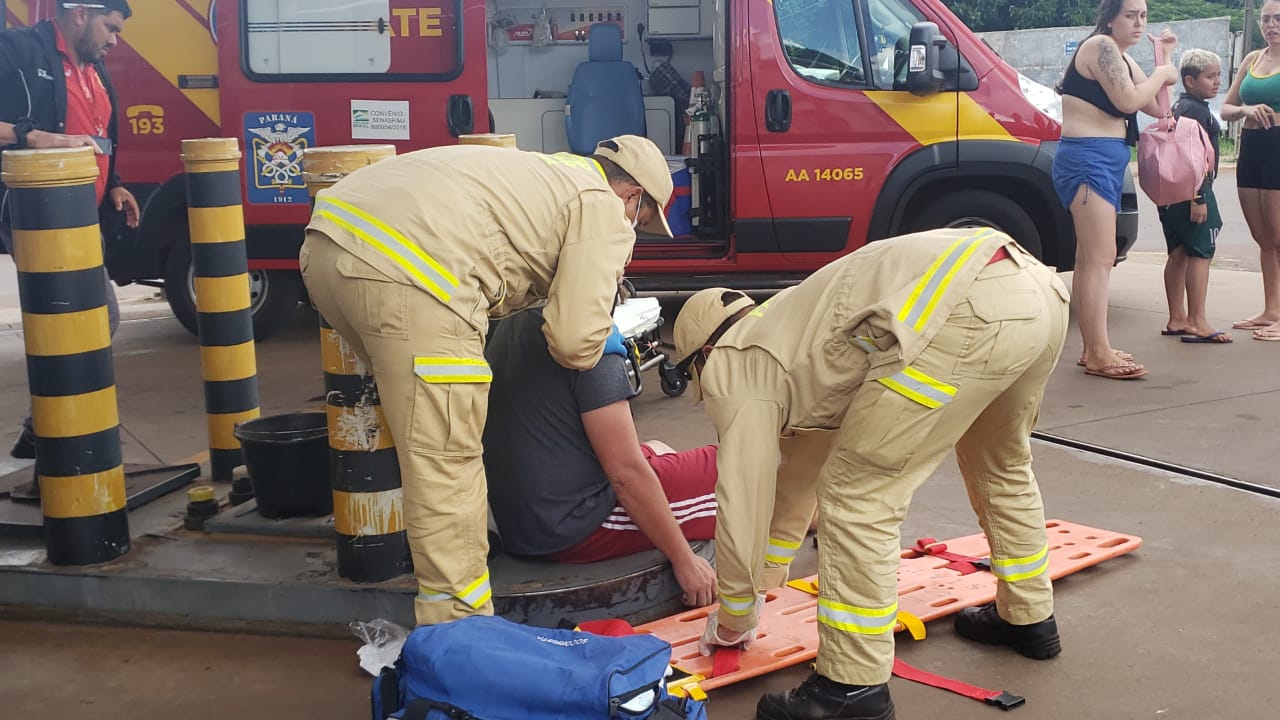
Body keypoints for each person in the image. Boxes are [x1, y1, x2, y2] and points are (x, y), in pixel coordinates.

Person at [674, 228, 1070, 720]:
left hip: (965, 304)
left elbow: (744, 493)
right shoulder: (798, 331)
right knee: (1002, 463)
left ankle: (851, 685)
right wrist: (768, 582)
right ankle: (1027, 616)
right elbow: (798, 476)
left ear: (704, 356)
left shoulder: (736, 358)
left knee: (858, 497)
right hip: (1037, 292)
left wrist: (734, 614)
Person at [300, 135, 674, 627]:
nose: (634, 238)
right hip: (413, 272)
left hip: (327, 244)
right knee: (447, 459)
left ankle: (448, 572)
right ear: (633, 198)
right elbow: (573, 340)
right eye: (642, 224)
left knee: (422, 434)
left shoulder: (547, 173)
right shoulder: (603, 205)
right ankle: (461, 632)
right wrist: (603, 328)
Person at [483, 304, 718, 607]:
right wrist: (683, 559)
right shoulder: (586, 339)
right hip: (574, 527)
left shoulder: (517, 319)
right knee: (737, 472)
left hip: (524, 519)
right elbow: (625, 473)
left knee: (658, 447)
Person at [0, 0, 140, 496]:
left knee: (92, 320)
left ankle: (49, 439)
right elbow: (51, 138)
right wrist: (31, 136)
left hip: (83, 214)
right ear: (79, 12)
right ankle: (56, 448)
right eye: (111, 27)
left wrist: (115, 183)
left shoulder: (93, 69)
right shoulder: (18, 49)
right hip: (37, 214)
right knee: (83, 319)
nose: (115, 40)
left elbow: (97, 137)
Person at [1053, 0, 1179, 379]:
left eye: (1143, 15)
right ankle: (1097, 352)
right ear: (1110, 17)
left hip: (1106, 158)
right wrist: (1162, 73)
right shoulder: (1101, 47)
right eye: (1131, 15)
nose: (1139, 22)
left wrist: (1164, 57)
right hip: (1086, 158)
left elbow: (1157, 108)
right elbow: (1128, 100)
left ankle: (1094, 347)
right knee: (1099, 256)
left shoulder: (1122, 57)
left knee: (1095, 256)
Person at [1158, 49, 1230, 344]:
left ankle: (1177, 317)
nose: (1216, 82)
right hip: (1193, 190)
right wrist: (1199, 196)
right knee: (1201, 253)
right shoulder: (1197, 112)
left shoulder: (1178, 107)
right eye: (1210, 76)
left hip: (1171, 193)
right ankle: (1197, 320)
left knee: (1178, 253)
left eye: (1218, 75)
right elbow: (1193, 157)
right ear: (1189, 80)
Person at [1221, 0, 1280, 341]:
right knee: (1263, 237)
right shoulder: (1251, 59)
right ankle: (1271, 309)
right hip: (1251, 147)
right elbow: (1226, 107)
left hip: (1278, 146)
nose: (1271, 25)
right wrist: (1246, 109)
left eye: (1277, 19)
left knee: (1279, 234)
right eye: (1266, 19)